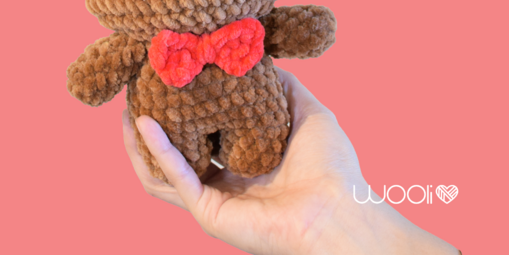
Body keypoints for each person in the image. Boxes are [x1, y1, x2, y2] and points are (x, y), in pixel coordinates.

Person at [122, 67, 460, 255]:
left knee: (255, 145)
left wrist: (330, 215)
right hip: (176, 113)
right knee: (169, 153)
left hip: (253, 114)